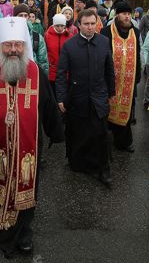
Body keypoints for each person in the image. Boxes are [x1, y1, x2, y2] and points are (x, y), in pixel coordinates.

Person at [0, 17, 64, 258]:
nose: (13, 50)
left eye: (18, 45)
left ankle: (24, 232)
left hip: (28, 147)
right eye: (8, 45)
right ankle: (2, 229)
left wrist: (56, 131)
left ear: (24, 45)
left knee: (27, 189)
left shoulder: (35, 72)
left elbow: (48, 105)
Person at [56, 9, 115, 182]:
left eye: (93, 24)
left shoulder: (104, 42)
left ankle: (103, 168)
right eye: (86, 24)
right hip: (77, 96)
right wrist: (60, 98)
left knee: (101, 133)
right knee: (78, 131)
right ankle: (78, 163)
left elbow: (109, 69)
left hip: (99, 96)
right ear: (79, 25)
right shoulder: (69, 45)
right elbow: (61, 73)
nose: (90, 27)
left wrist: (111, 92)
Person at [100, 1, 141, 152]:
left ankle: (123, 142)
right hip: (110, 79)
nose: (127, 17)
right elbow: (102, 56)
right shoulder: (106, 32)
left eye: (129, 14)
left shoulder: (135, 33)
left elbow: (138, 55)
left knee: (127, 112)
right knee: (107, 109)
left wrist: (137, 76)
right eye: (124, 14)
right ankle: (105, 140)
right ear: (117, 15)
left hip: (128, 82)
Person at [14, 4, 49, 73]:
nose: (23, 18)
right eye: (20, 15)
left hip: (32, 74)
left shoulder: (37, 37)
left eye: (26, 15)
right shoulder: (9, 35)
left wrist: (43, 80)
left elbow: (43, 62)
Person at [44, 14, 73, 91]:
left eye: (62, 26)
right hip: (52, 71)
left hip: (65, 71)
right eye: (57, 26)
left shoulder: (70, 36)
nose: (60, 28)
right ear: (54, 25)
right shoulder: (47, 35)